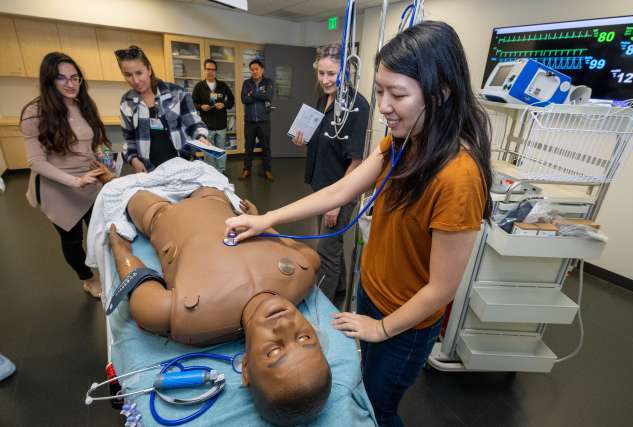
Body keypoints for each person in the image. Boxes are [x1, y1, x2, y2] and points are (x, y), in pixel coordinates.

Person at [226, 21, 493, 426]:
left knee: (377, 410)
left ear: (440, 94)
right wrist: (268, 217)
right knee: (362, 389)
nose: (383, 105)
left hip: (405, 324)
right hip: (373, 294)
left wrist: (382, 329)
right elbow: (343, 188)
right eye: (381, 90)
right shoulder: (404, 140)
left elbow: (442, 288)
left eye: (397, 94)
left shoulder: (459, 177)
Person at [106, 188, 331, 426]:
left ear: (246, 367)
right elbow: (302, 252)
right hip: (215, 201)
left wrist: (121, 250)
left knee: (132, 194)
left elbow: (145, 302)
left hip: (163, 215)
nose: (284, 323)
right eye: (305, 338)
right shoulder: (301, 275)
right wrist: (263, 223)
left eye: (274, 351)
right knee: (210, 187)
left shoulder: (193, 318)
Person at [21, 52, 110, 299]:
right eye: (62, 78)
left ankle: (108, 272)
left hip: (89, 182)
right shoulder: (34, 113)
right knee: (72, 241)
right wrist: (75, 181)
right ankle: (88, 279)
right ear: (49, 81)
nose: (70, 84)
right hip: (58, 188)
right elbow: (36, 161)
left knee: (101, 233)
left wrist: (100, 153)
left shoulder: (84, 105)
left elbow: (92, 142)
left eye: (75, 77)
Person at [291, 44, 369, 304]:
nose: (325, 80)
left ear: (346, 71)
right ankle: (337, 293)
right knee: (332, 246)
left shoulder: (357, 106)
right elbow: (323, 138)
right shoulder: (324, 98)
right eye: (321, 73)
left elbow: (356, 161)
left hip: (339, 191)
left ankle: (322, 307)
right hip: (322, 186)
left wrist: (336, 202)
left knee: (326, 251)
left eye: (331, 74)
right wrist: (304, 140)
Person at [115, 45, 211, 173]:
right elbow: (129, 139)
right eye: (128, 75)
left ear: (149, 69)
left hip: (182, 166)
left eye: (139, 73)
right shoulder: (127, 102)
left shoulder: (177, 93)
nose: (135, 80)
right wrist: (134, 160)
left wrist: (201, 136)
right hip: (150, 170)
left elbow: (193, 123)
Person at [239, 59, 274, 181]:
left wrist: (252, 94)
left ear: (262, 69)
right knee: (248, 147)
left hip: (264, 120)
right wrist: (260, 96)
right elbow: (244, 99)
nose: (254, 71)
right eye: (252, 69)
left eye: (256, 69)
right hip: (250, 121)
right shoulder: (246, 83)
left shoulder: (268, 82)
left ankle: (267, 170)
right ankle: (246, 170)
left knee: (266, 147)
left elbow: (268, 97)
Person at [192, 59, 235, 151]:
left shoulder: (223, 85)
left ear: (216, 71)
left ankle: (221, 166)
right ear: (204, 70)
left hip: (221, 126)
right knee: (209, 153)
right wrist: (201, 107)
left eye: (213, 70)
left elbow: (231, 101)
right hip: (207, 126)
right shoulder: (199, 86)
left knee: (221, 152)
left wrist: (224, 104)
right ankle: (210, 166)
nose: (210, 72)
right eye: (208, 69)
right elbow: (193, 104)